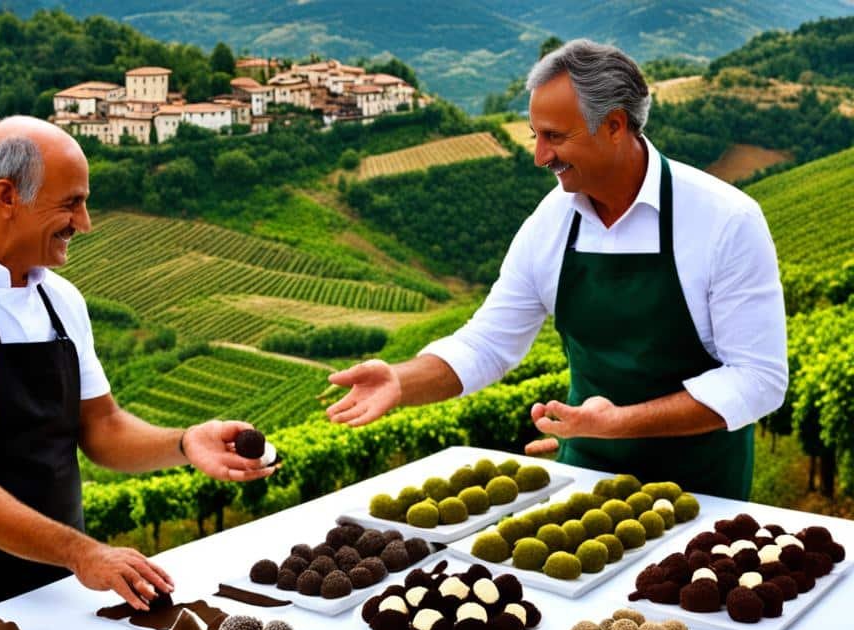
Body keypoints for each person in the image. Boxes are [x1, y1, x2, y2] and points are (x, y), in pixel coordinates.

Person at [0, 116, 275, 630]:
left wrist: (186, 443)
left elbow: (101, 426)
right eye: (71, 203)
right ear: (7, 196)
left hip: (63, 579)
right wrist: (84, 553)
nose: (85, 223)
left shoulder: (61, 299)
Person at [327, 39, 787, 501]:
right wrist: (400, 380)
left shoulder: (726, 220)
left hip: (701, 493)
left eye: (555, 136)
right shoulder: (552, 221)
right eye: (535, 135)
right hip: (587, 479)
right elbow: (487, 342)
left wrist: (618, 424)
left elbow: (758, 378)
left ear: (613, 125)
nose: (540, 156)